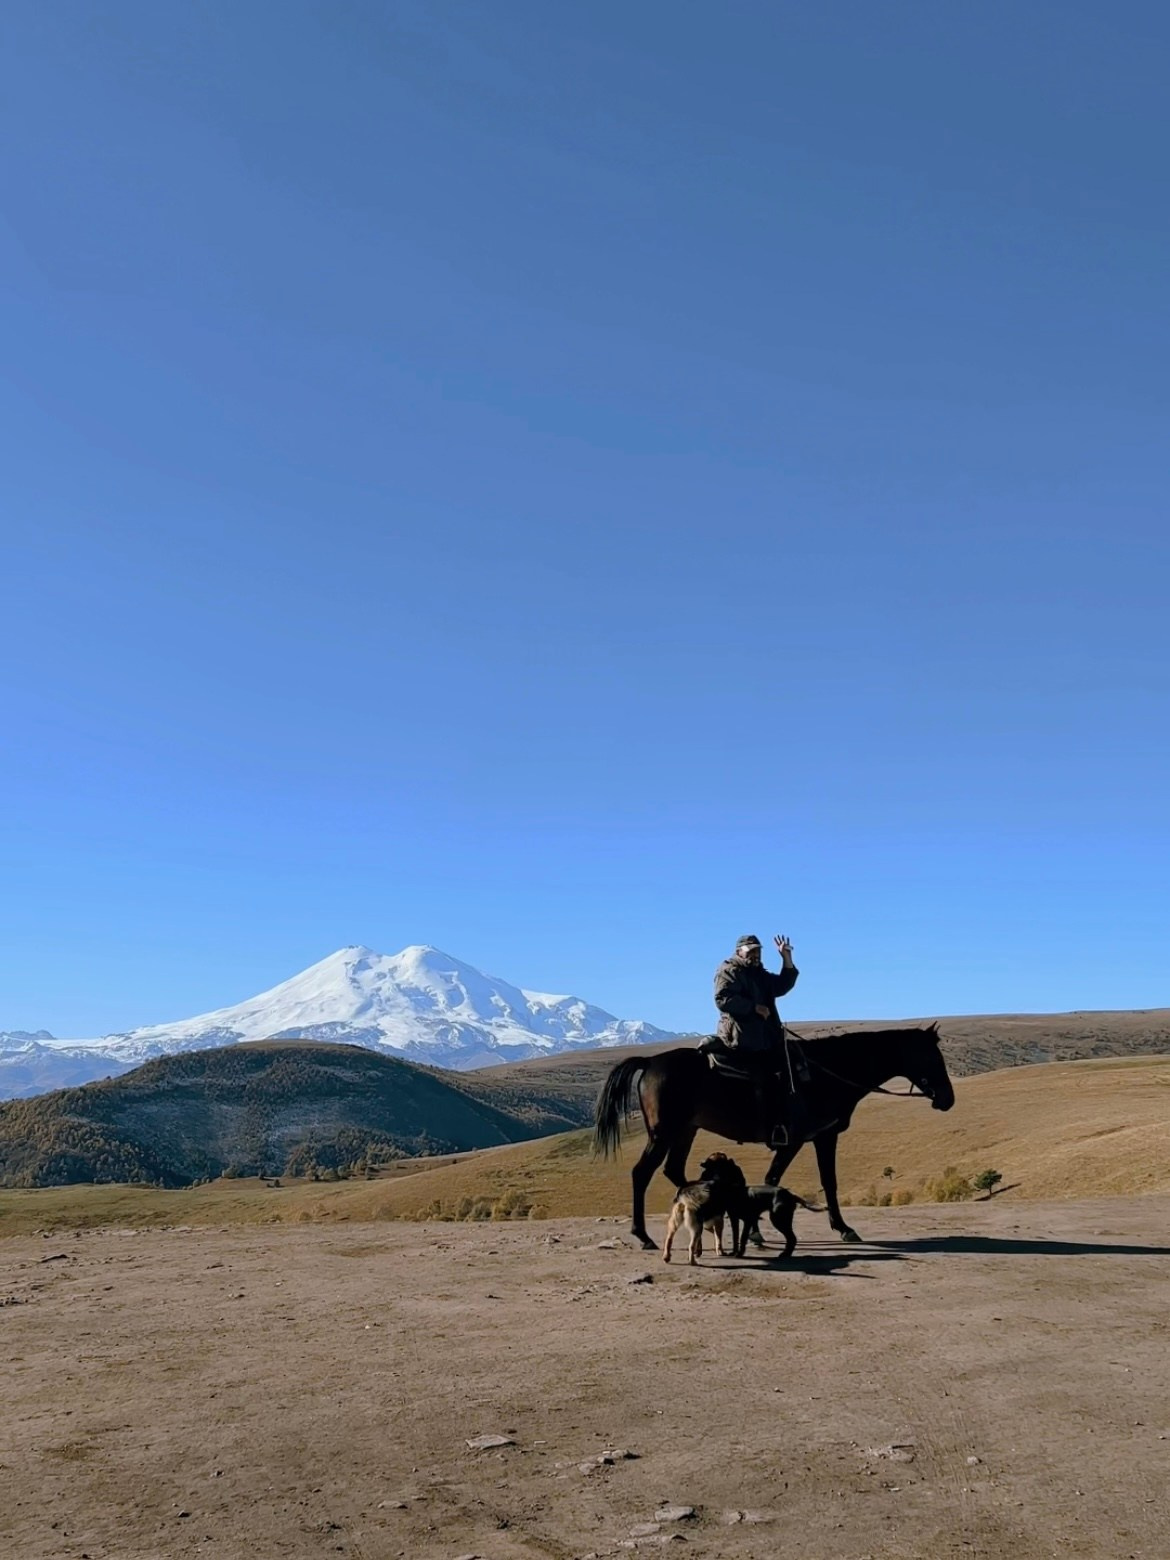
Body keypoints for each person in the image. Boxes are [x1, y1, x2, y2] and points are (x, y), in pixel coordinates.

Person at [713, 933, 800, 1148]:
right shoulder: (729, 970)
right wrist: (753, 1007)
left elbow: (781, 986)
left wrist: (786, 958)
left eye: (758, 950)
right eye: (751, 950)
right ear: (739, 951)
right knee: (767, 1078)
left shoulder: (759, 974)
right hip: (741, 1037)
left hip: (766, 1037)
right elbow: (722, 999)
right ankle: (766, 1126)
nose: (756, 954)